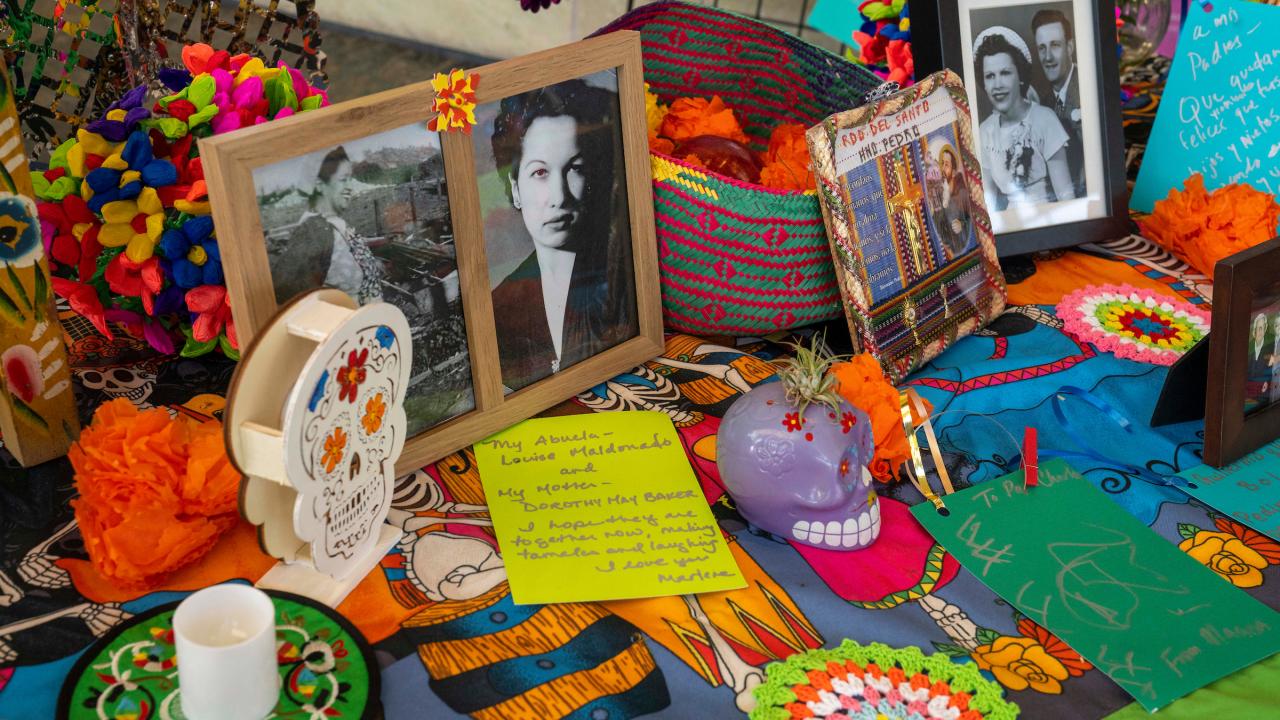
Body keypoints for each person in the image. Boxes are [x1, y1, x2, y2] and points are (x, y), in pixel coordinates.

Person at [489, 79, 636, 391]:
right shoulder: (500, 307)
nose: (559, 196)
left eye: (576, 169)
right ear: (516, 189)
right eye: (540, 172)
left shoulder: (625, 288)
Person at [973, 26, 1075, 208]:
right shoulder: (985, 131)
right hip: (1009, 228)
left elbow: (1067, 198)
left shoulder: (1045, 120)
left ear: (1020, 76)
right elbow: (987, 203)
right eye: (989, 76)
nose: (997, 85)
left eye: (1005, 73)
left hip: (1050, 222)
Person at [269, 146, 384, 305]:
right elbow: (285, 297)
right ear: (319, 184)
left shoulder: (334, 223)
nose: (350, 187)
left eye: (350, 179)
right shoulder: (315, 231)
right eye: (343, 180)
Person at [1032, 9, 1084, 198]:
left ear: (1070, 47)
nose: (1047, 57)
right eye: (1042, 48)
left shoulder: (1088, 90)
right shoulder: (1042, 104)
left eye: (1055, 45)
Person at [929, 144, 972, 259]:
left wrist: (962, 224)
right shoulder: (939, 191)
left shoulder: (961, 191)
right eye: (941, 163)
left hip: (959, 247)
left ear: (953, 171)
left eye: (946, 164)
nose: (942, 168)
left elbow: (971, 218)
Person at [1247, 312, 1271, 411]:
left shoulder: (1270, 347)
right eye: (1259, 328)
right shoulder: (1249, 347)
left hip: (1263, 393)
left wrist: (1268, 382)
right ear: (1254, 331)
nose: (1261, 332)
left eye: (1263, 328)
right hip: (1246, 390)